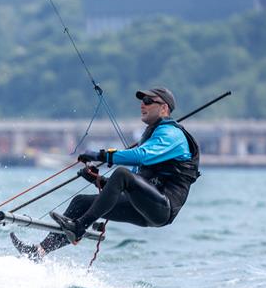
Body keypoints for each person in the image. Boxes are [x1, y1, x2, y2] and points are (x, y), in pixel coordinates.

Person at [11, 87, 200, 261]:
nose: (143, 104)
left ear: (164, 108)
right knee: (81, 202)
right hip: (143, 206)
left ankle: (78, 228)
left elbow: (140, 157)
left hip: (163, 208)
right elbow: (135, 184)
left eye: (149, 101)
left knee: (122, 174)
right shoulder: (152, 135)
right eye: (142, 100)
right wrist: (99, 180)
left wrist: (101, 154)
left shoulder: (171, 134)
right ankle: (39, 252)